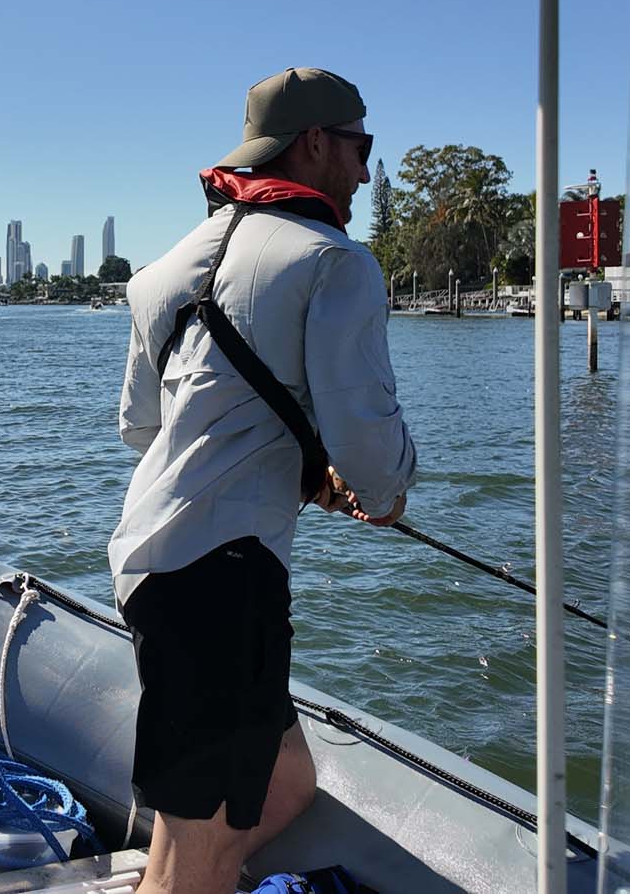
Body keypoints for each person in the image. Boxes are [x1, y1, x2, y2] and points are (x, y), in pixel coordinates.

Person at [112, 67, 417, 894]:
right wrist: (381, 493)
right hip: (223, 584)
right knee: (204, 853)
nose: (364, 172)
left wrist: (287, 463)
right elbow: (372, 459)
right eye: (361, 147)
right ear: (315, 142)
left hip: (152, 568)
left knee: (284, 783)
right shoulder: (335, 263)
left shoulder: (162, 272)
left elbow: (141, 430)